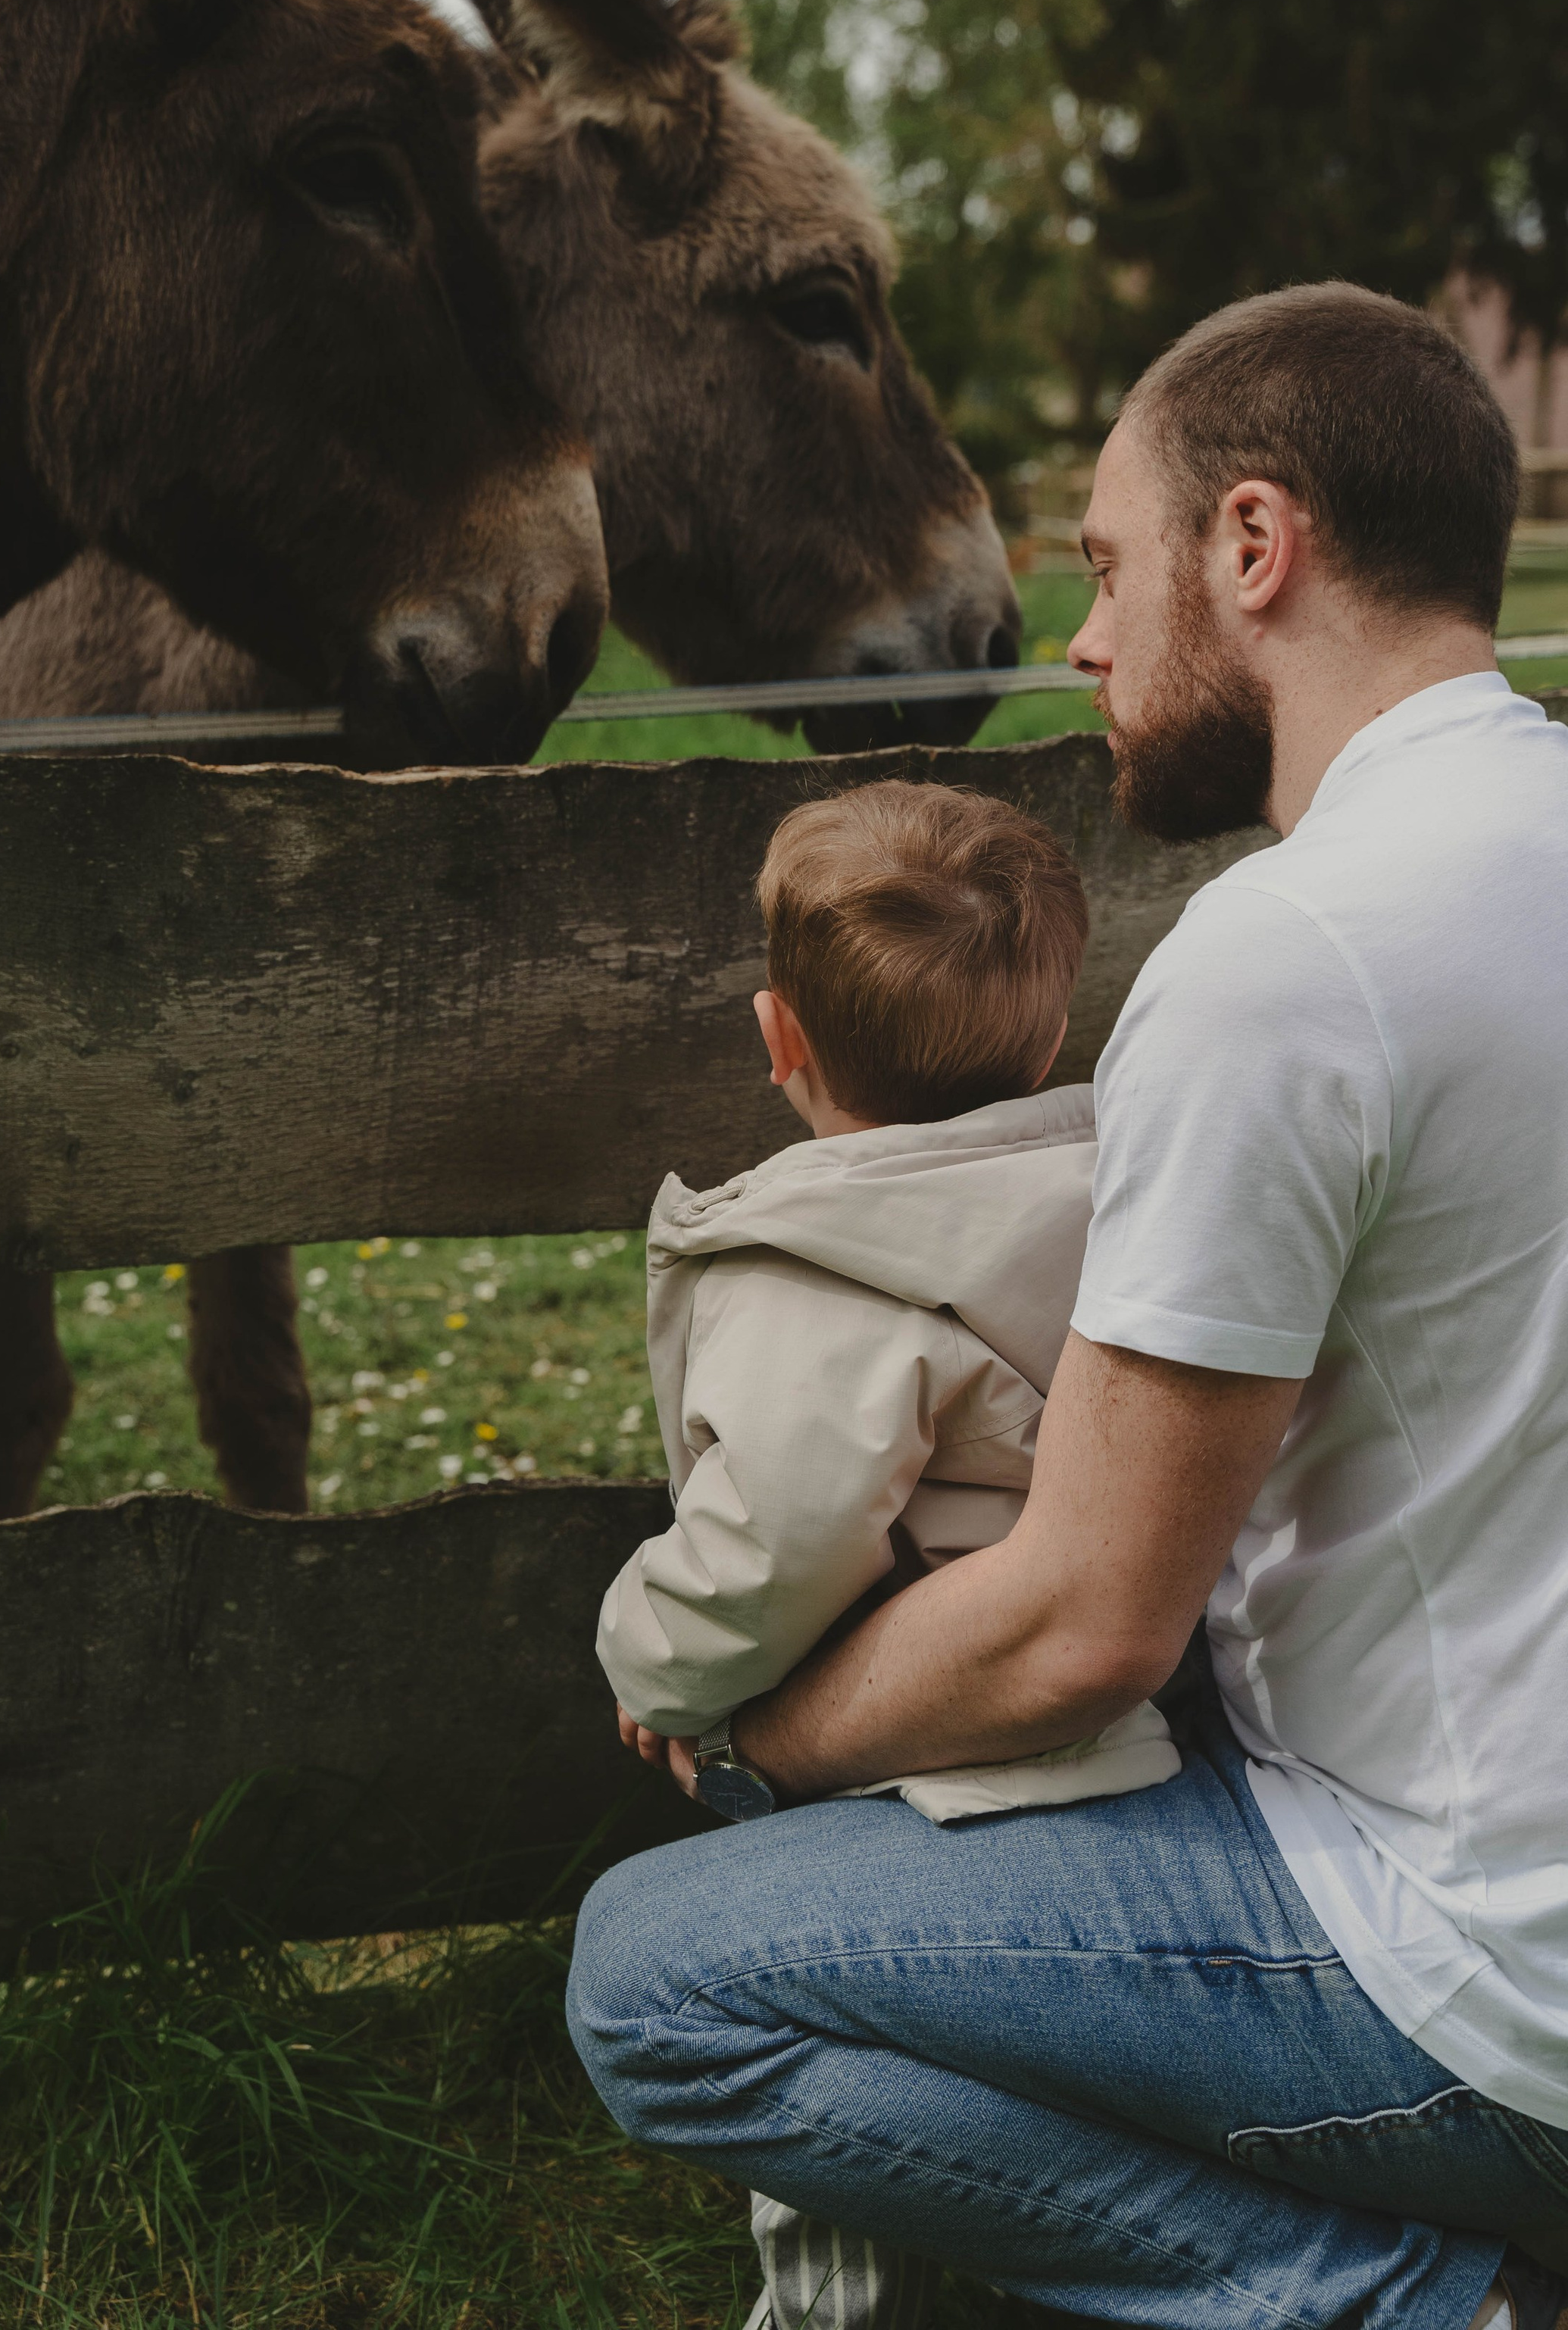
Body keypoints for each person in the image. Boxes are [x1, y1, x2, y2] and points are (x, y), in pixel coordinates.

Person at [567, 282, 1568, 2330]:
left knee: (657, 1980)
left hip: (1479, 1975)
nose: (1084, 639)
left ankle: (1396, 2300)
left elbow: (1083, 1621)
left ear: (1257, 547)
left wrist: (758, 1725)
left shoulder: (1285, 961)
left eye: (1110, 566)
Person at [599, 776, 1180, 1826]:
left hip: (922, 1764)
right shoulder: (1129, 1200)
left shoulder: (821, 1278)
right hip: (1101, 1732)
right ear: (1050, 1046)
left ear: (781, 1040)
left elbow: (779, 1535)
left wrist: (654, 1659)